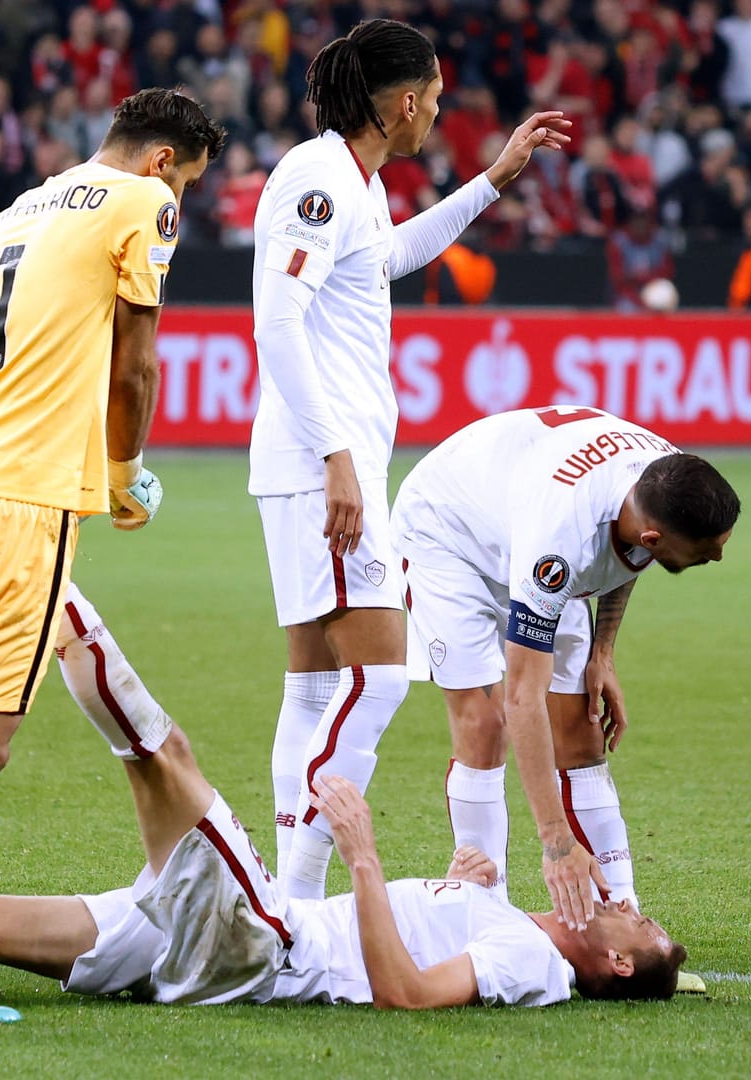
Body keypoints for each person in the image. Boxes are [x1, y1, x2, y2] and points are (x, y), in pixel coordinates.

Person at [0, 88, 225, 1024]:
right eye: (189, 184)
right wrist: (122, 473)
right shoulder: (140, 205)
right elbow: (134, 365)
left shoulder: (21, 208)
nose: (182, 206)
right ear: (163, 163)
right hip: (19, 507)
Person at [250, 18, 570, 903]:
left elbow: (386, 259)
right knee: (382, 678)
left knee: (316, 686)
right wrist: (337, 460)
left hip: (314, 461)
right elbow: (274, 320)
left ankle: (289, 896)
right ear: (401, 102)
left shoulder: (349, 181)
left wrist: (492, 182)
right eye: (430, 100)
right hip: (324, 464)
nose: (434, 114)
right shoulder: (319, 178)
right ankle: (294, 902)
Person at [0, 757, 686, 1013]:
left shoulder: (525, 962)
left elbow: (408, 992)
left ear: (618, 958)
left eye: (641, 919)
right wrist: (459, 878)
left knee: (168, 765)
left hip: (266, 944)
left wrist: (365, 854)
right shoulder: (513, 921)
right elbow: (427, 930)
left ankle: (58, 605)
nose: (633, 901)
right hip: (243, 935)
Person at [393, 407, 739, 930]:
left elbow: (626, 556)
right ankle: (488, 920)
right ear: (654, 537)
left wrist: (604, 653)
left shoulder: (665, 477)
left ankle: (624, 918)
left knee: (580, 724)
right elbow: (521, 698)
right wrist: (557, 843)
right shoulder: (561, 539)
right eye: (707, 552)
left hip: (523, 513)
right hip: (446, 535)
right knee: (485, 727)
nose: (717, 558)